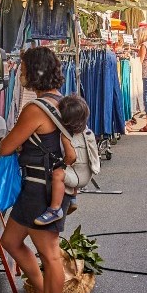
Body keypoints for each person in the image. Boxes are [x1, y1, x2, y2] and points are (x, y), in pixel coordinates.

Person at [0, 47, 73, 293]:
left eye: (25, 69)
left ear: (35, 72)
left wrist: (15, 142)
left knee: (50, 254)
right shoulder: (61, 101)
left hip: (40, 189)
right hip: (41, 186)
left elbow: (5, 146)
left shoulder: (35, 109)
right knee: (10, 240)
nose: (22, 74)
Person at [33, 93, 89, 227]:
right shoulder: (84, 131)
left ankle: (55, 209)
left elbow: (71, 157)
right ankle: (73, 198)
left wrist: (63, 164)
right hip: (85, 171)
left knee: (58, 174)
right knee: (70, 170)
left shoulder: (65, 136)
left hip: (78, 174)